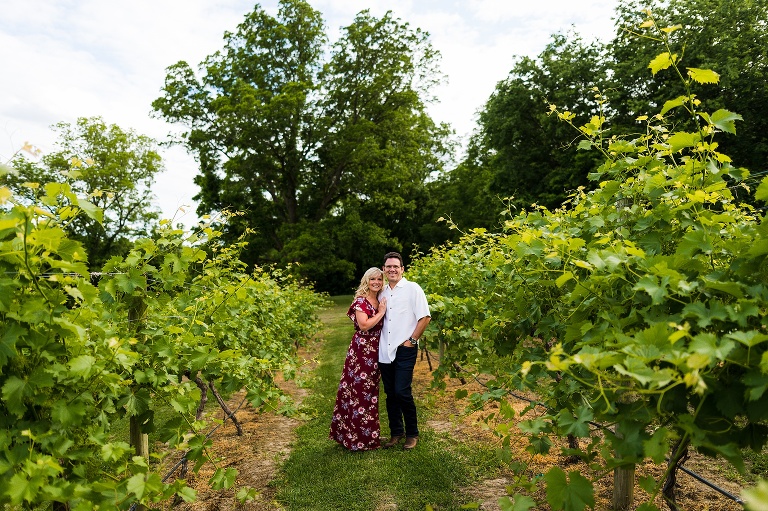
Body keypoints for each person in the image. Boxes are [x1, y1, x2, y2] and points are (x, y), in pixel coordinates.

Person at [329, 267, 388, 451]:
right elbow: (363, 325)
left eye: (379, 279)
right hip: (362, 352)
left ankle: (368, 435)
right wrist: (381, 313)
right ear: (366, 281)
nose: (376, 282)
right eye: (373, 279)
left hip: (374, 351)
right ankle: (355, 438)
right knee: (358, 392)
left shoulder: (379, 299)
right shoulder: (361, 301)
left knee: (370, 393)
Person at [378, 251, 431, 450]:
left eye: (395, 266)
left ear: (402, 269)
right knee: (390, 394)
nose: (392, 269)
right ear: (384, 270)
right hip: (384, 349)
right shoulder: (381, 291)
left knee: (402, 392)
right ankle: (396, 432)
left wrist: (412, 340)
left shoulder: (412, 289)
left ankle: (412, 433)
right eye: (388, 266)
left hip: (404, 348)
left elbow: (425, 317)